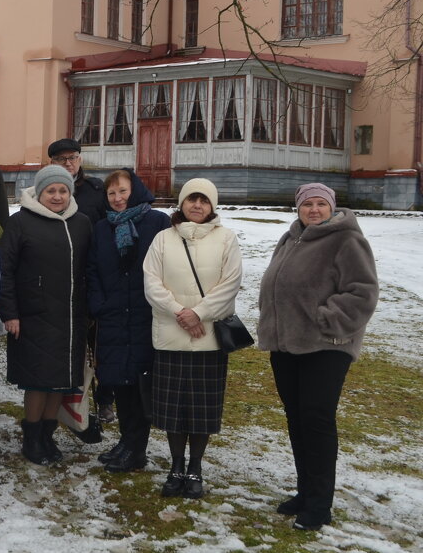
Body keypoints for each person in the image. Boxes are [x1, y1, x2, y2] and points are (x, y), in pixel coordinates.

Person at [257, 183, 378, 531]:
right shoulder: (292, 237)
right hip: (287, 344)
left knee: (317, 419)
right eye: (307, 204)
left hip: (326, 345)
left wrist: (329, 319)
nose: (313, 210)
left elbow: (363, 291)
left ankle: (320, 504)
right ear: (298, 209)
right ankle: (305, 491)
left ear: (331, 208)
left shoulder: (346, 239)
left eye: (320, 204)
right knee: (297, 418)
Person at [142, 178, 242, 499]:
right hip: (171, 335)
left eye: (204, 201)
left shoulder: (226, 239)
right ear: (181, 204)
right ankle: (175, 466)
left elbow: (230, 283)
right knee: (174, 407)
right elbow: (152, 282)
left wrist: (198, 313)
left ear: (212, 206)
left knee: (202, 407)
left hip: (208, 337)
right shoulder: (162, 239)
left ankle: (195, 467)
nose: (197, 205)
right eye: (191, 199)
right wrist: (179, 312)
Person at [0, 165, 93, 465]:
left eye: (62, 190)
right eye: (51, 190)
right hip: (33, 316)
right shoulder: (21, 222)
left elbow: (89, 270)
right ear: (39, 193)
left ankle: (48, 436)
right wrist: (10, 312)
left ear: (70, 192)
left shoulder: (82, 223)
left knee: (61, 381)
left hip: (71, 317)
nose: (57, 196)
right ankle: (32, 437)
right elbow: (5, 271)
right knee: (38, 381)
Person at [88, 169, 171, 473]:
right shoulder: (101, 228)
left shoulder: (157, 222)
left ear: (134, 190)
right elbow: (93, 269)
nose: (118, 199)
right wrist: (99, 303)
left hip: (145, 313)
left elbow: (169, 264)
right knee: (119, 382)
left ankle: (137, 449)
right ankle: (126, 441)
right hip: (113, 315)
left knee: (139, 384)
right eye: (111, 194)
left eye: (122, 191)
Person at [48, 138, 108, 225]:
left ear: (79, 160)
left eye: (72, 158)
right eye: (61, 159)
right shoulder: (43, 191)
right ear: (52, 163)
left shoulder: (95, 189)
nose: (68, 163)